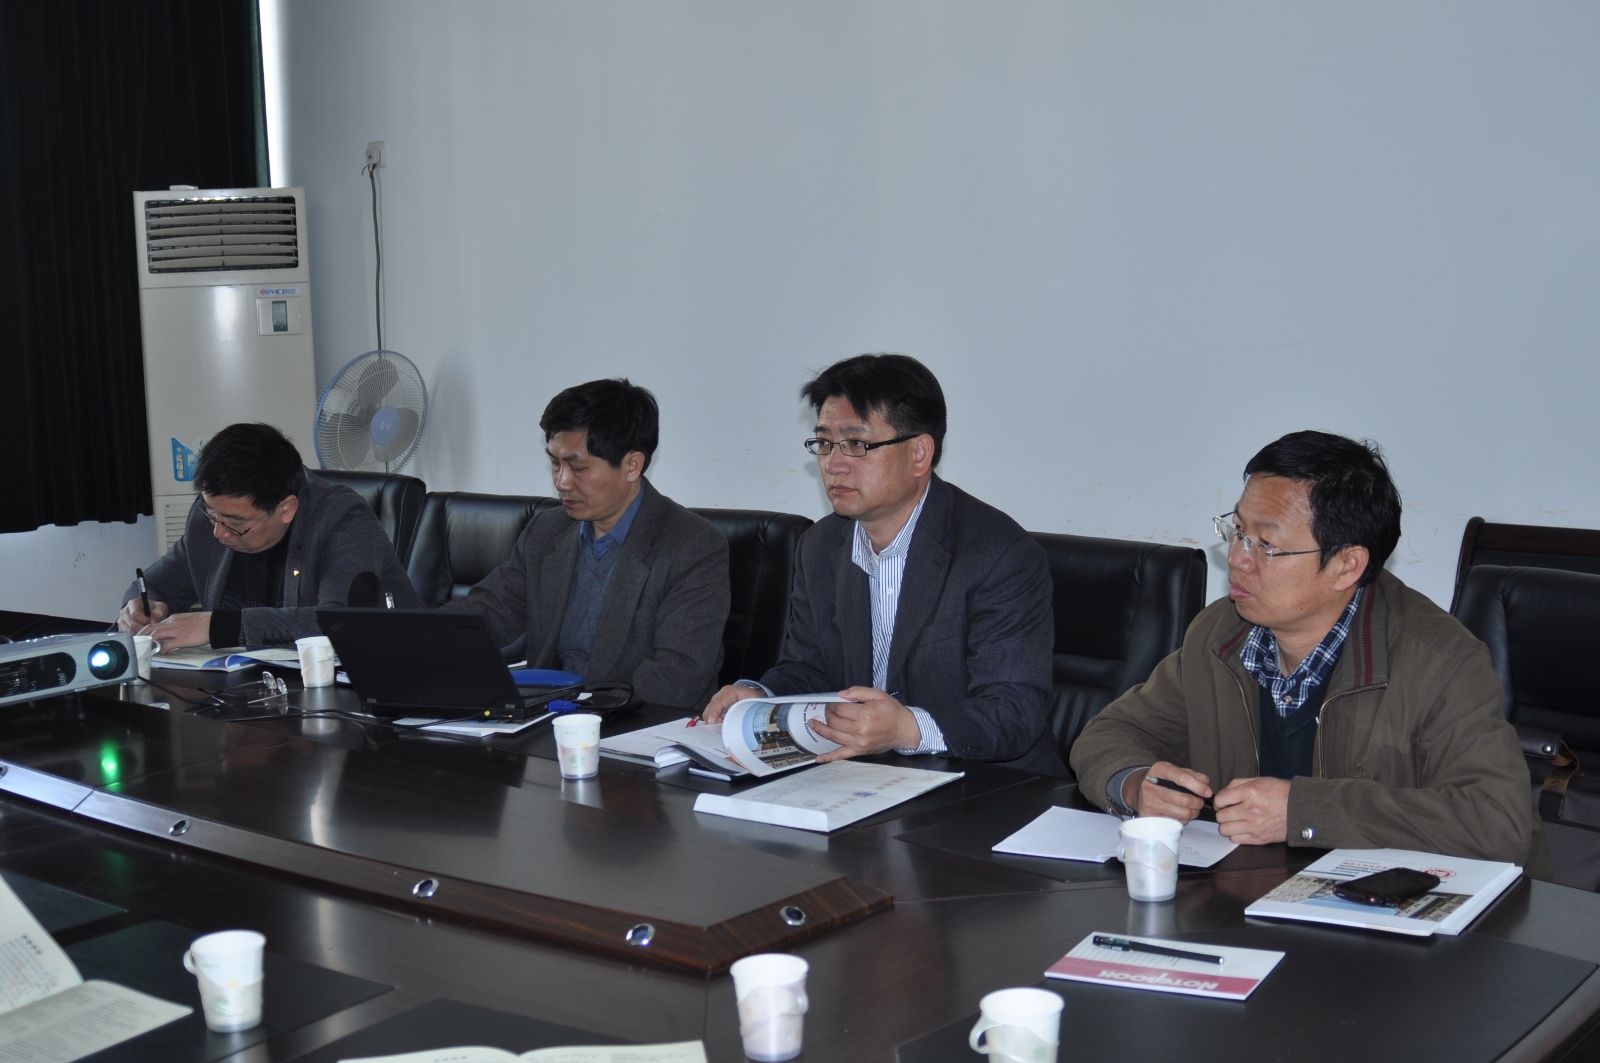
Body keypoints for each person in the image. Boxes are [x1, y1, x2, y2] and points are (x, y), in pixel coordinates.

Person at [1070, 430, 1543, 869]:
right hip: (1245, 896)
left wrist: (1304, 812)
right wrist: (1134, 784)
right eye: (1237, 531)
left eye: (1267, 545)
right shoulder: (1220, 634)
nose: (1237, 558)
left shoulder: (1440, 661)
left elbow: (1499, 823)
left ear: (1347, 565)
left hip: (1387, 913)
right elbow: (1110, 732)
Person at [702, 353, 1061, 775]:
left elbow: (1015, 709)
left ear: (919, 453)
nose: (833, 464)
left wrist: (908, 728)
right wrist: (761, 698)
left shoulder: (998, 554)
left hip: (988, 784)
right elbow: (808, 667)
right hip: (865, 777)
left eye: (856, 444)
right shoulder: (821, 545)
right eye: (824, 443)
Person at [448, 378, 729, 710]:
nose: (561, 481)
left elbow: (677, 675)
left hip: (630, 723)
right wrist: (415, 641)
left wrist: (584, 717)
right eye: (555, 463)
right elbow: (489, 612)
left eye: (578, 467)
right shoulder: (547, 530)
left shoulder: (692, 546)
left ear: (632, 466)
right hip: (546, 717)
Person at [118, 422, 419, 649]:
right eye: (211, 513)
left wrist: (217, 627)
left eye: (235, 522)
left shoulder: (343, 520)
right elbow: (156, 584)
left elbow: (339, 622)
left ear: (286, 509)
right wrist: (140, 606)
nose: (218, 532)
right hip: (255, 689)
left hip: (379, 680)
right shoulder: (211, 519)